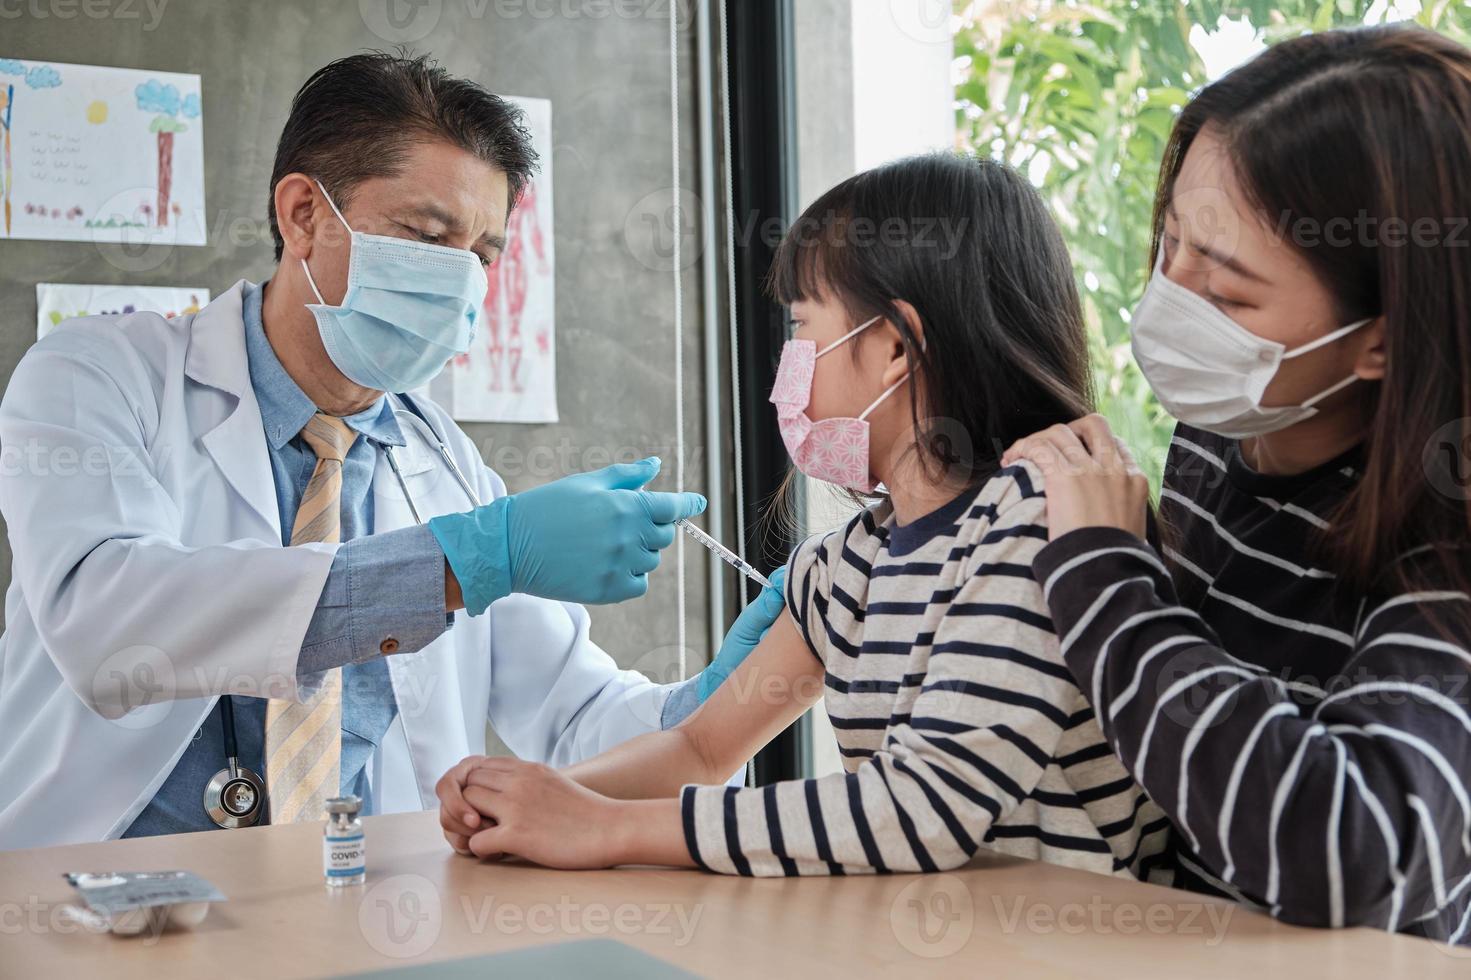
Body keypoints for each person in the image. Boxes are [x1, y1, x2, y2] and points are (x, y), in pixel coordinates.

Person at [0, 52, 782, 849]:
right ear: (303, 214)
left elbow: (578, 719)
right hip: (94, 898)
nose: (459, 281)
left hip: (362, 910)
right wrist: (458, 562)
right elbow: (101, 620)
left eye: (480, 255)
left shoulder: (444, 463)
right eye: (424, 236)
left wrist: (729, 697)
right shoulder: (98, 374)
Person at [435, 153, 1175, 881]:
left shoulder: (1035, 524)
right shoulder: (842, 566)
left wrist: (604, 826)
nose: (787, 366)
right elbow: (697, 750)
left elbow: (923, 811)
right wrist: (537, 803)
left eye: (800, 327)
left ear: (892, 345)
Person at [1003, 25, 1471, 945]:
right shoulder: (1224, 432)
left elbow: (1346, 853)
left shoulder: (1447, 547)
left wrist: (1105, 578)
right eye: (1169, 239)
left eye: (1226, 294)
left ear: (1382, 337)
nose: (1167, 300)